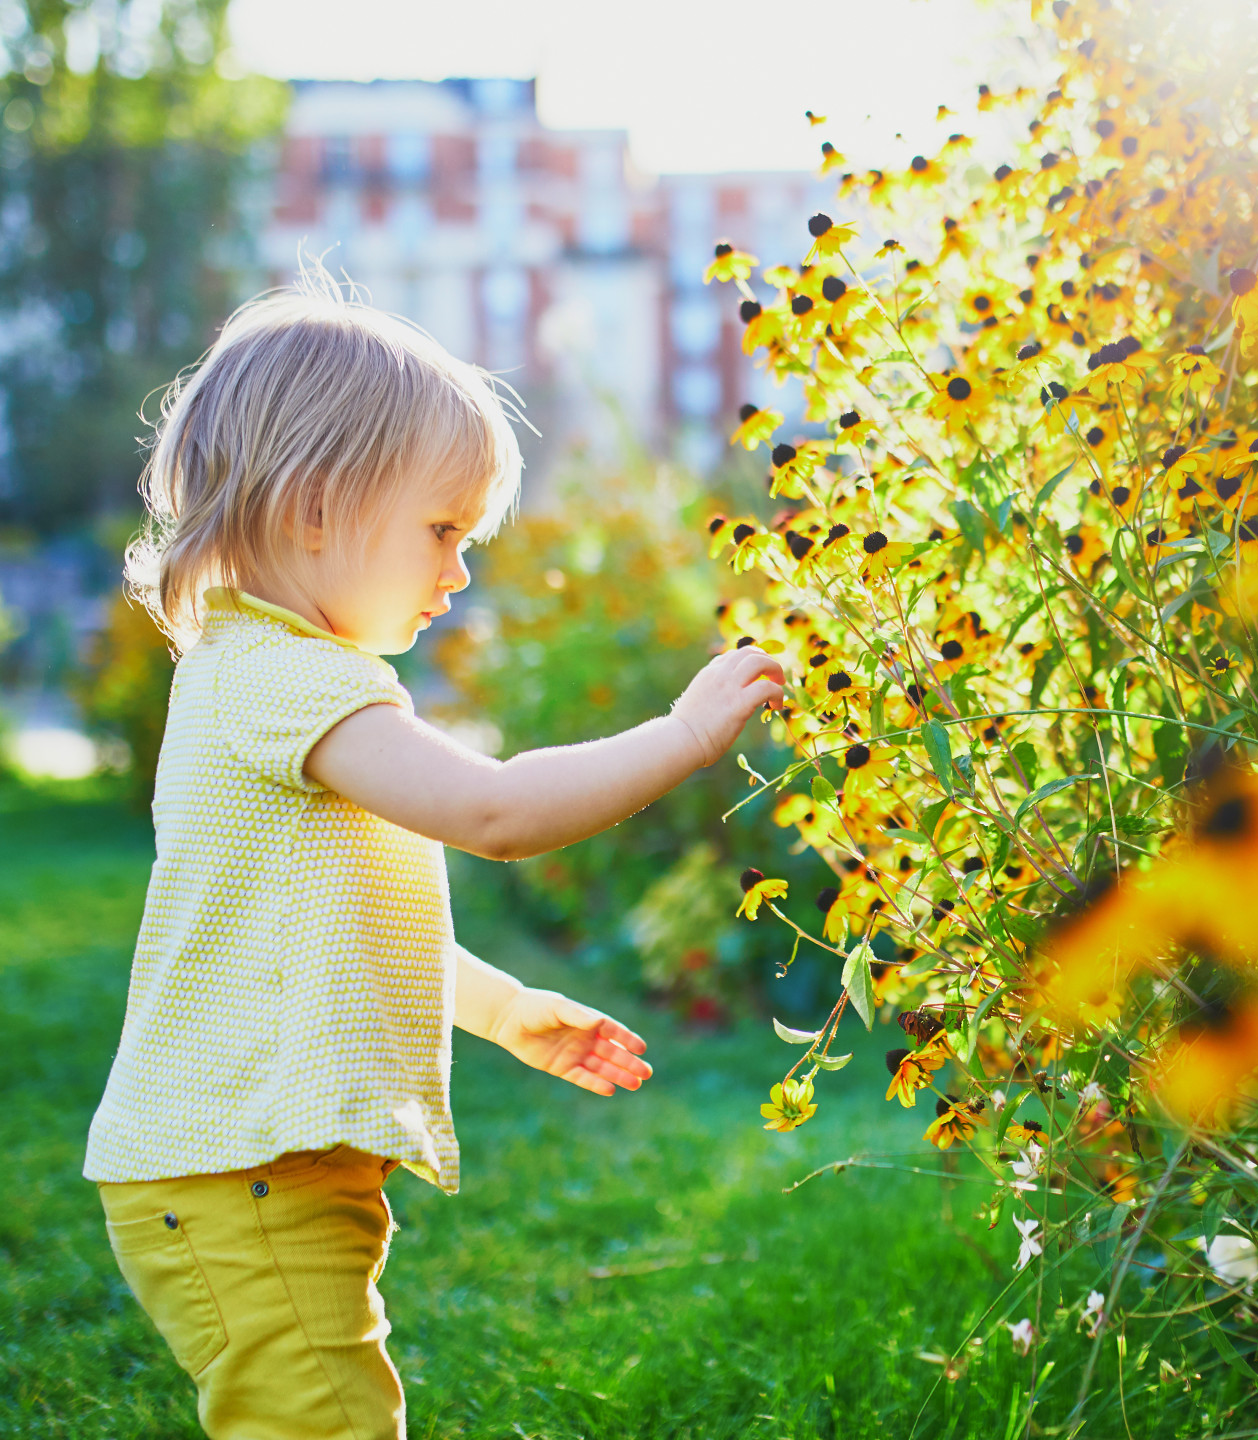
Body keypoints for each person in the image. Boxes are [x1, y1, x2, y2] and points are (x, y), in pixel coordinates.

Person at [83, 278, 784, 1440]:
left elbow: (334, 919)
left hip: (251, 1170)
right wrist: (682, 737)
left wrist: (504, 1011)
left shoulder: (268, 675)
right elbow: (496, 812)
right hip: (239, 1174)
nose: (458, 572)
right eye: (441, 530)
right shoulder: (284, 679)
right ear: (314, 508)